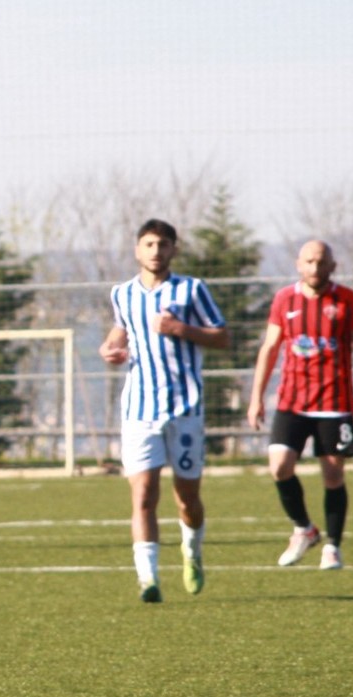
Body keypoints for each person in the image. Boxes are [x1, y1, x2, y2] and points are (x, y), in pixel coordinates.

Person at [99, 218, 229, 603]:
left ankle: (192, 551)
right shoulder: (122, 294)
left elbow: (222, 337)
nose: (156, 251)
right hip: (139, 409)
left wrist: (180, 329)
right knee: (142, 495)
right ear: (138, 250)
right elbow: (120, 331)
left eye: (164, 245)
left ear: (174, 250)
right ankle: (148, 579)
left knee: (186, 498)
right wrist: (110, 349)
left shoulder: (192, 290)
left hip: (185, 408)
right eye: (149, 244)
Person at [246, 240, 353, 570]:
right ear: (298, 264)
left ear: (332, 266)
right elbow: (270, 348)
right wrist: (256, 397)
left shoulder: (347, 300)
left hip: (334, 402)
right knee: (279, 467)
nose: (315, 268)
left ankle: (332, 545)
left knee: (333, 475)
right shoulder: (284, 300)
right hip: (292, 401)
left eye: (321, 262)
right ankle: (304, 528)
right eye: (309, 261)